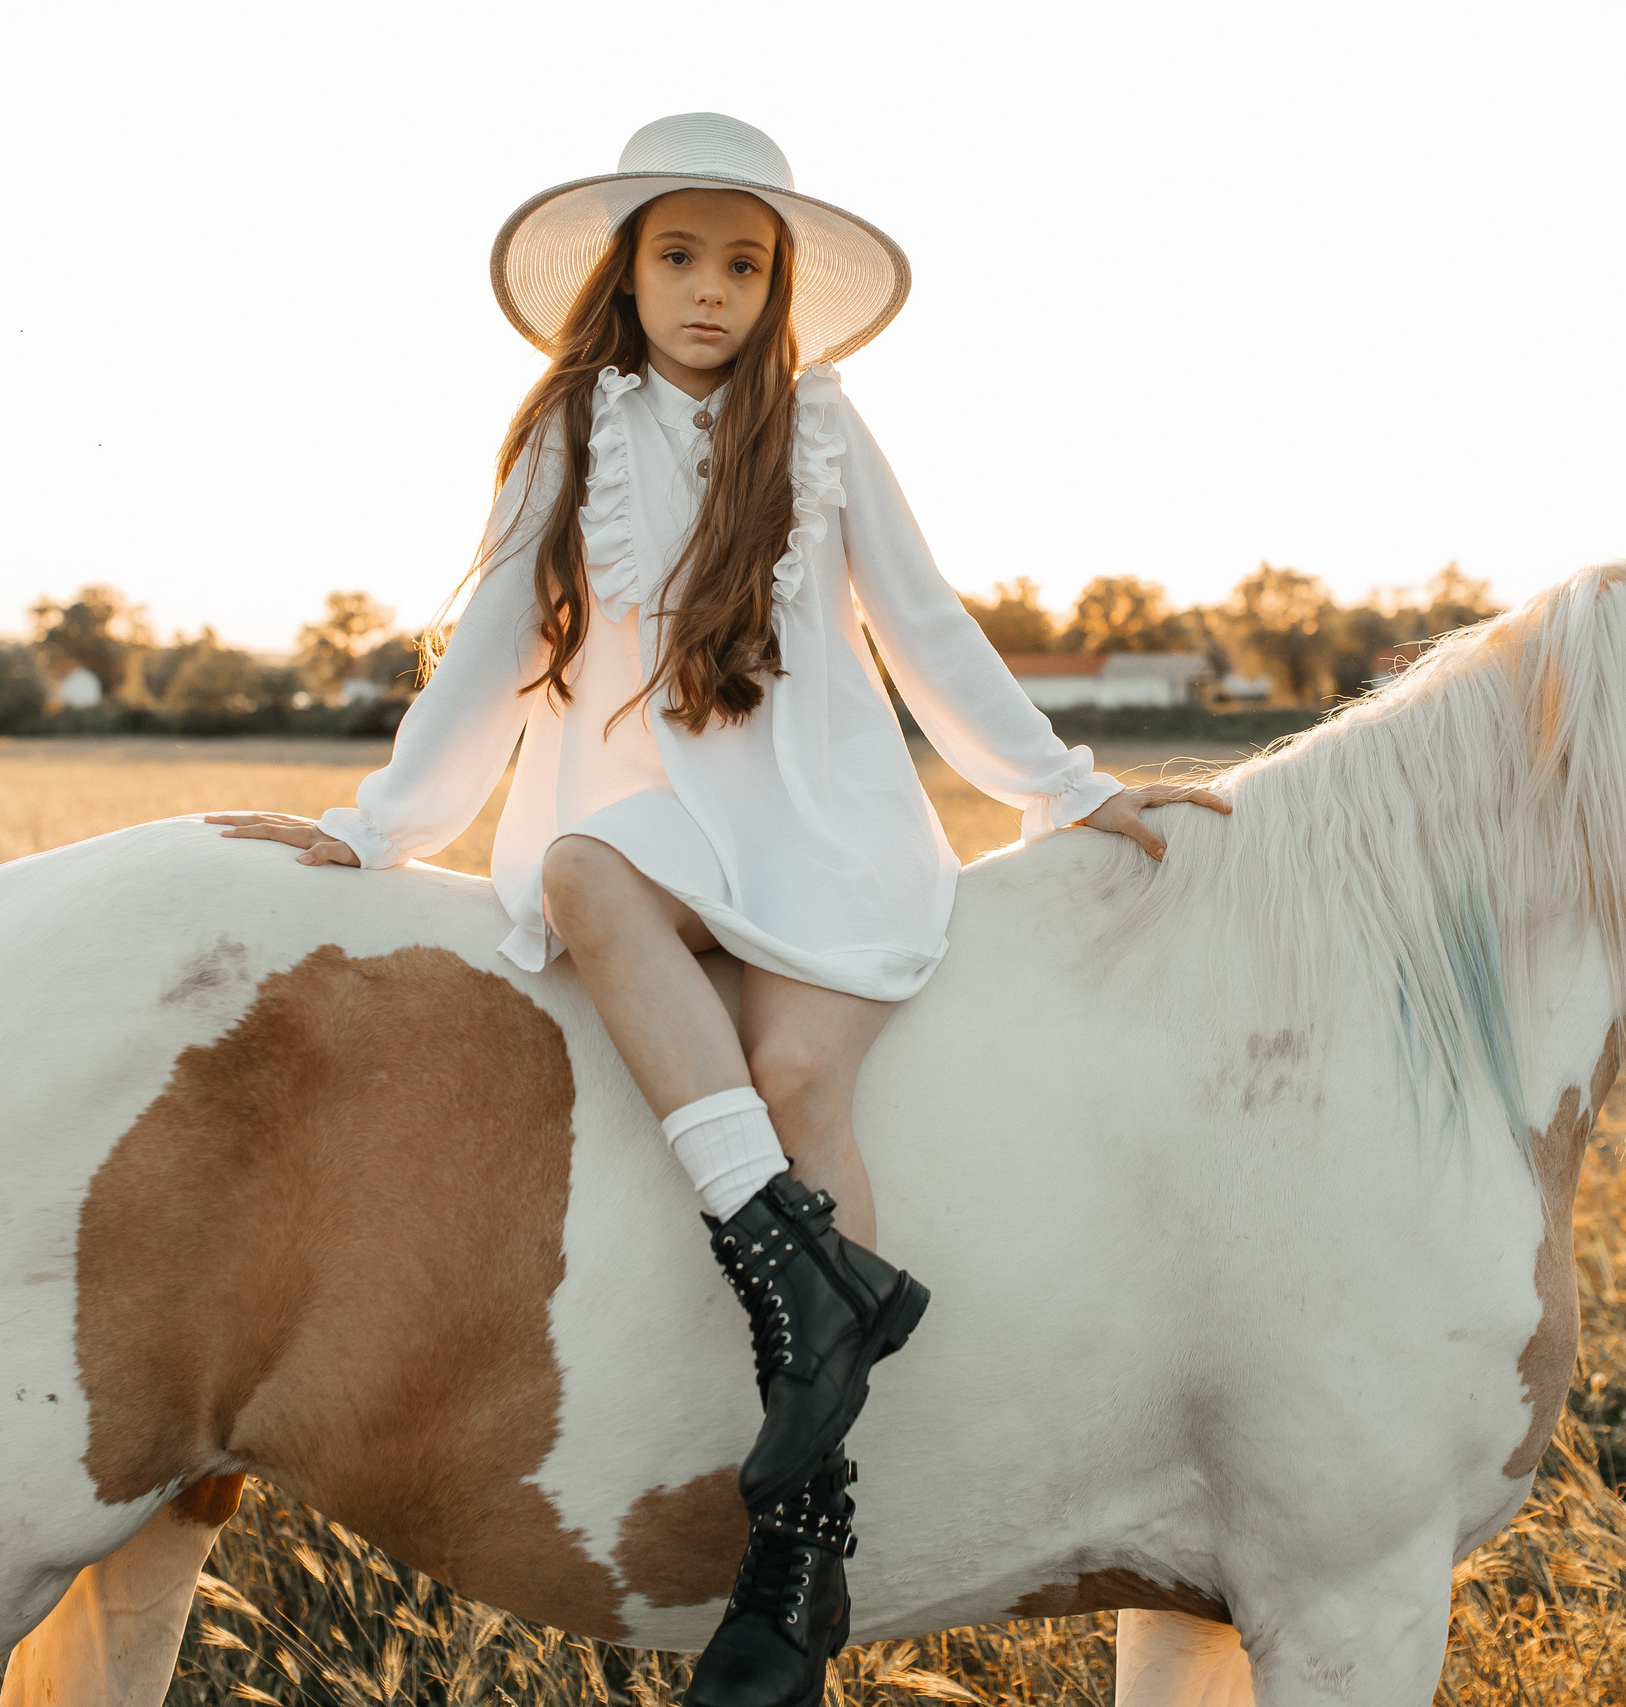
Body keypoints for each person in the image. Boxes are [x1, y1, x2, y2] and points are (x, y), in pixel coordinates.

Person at [208, 112, 1226, 1707]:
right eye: (679, 256)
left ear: (777, 288)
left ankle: (800, 1537)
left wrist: (1067, 788)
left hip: (830, 833)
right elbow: (491, 642)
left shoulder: (822, 427)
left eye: (743, 264)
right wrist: (375, 827)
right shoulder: (569, 432)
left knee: (806, 1079)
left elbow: (929, 625)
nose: (710, 290)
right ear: (627, 271)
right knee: (579, 870)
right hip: (665, 826)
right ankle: (802, 1272)